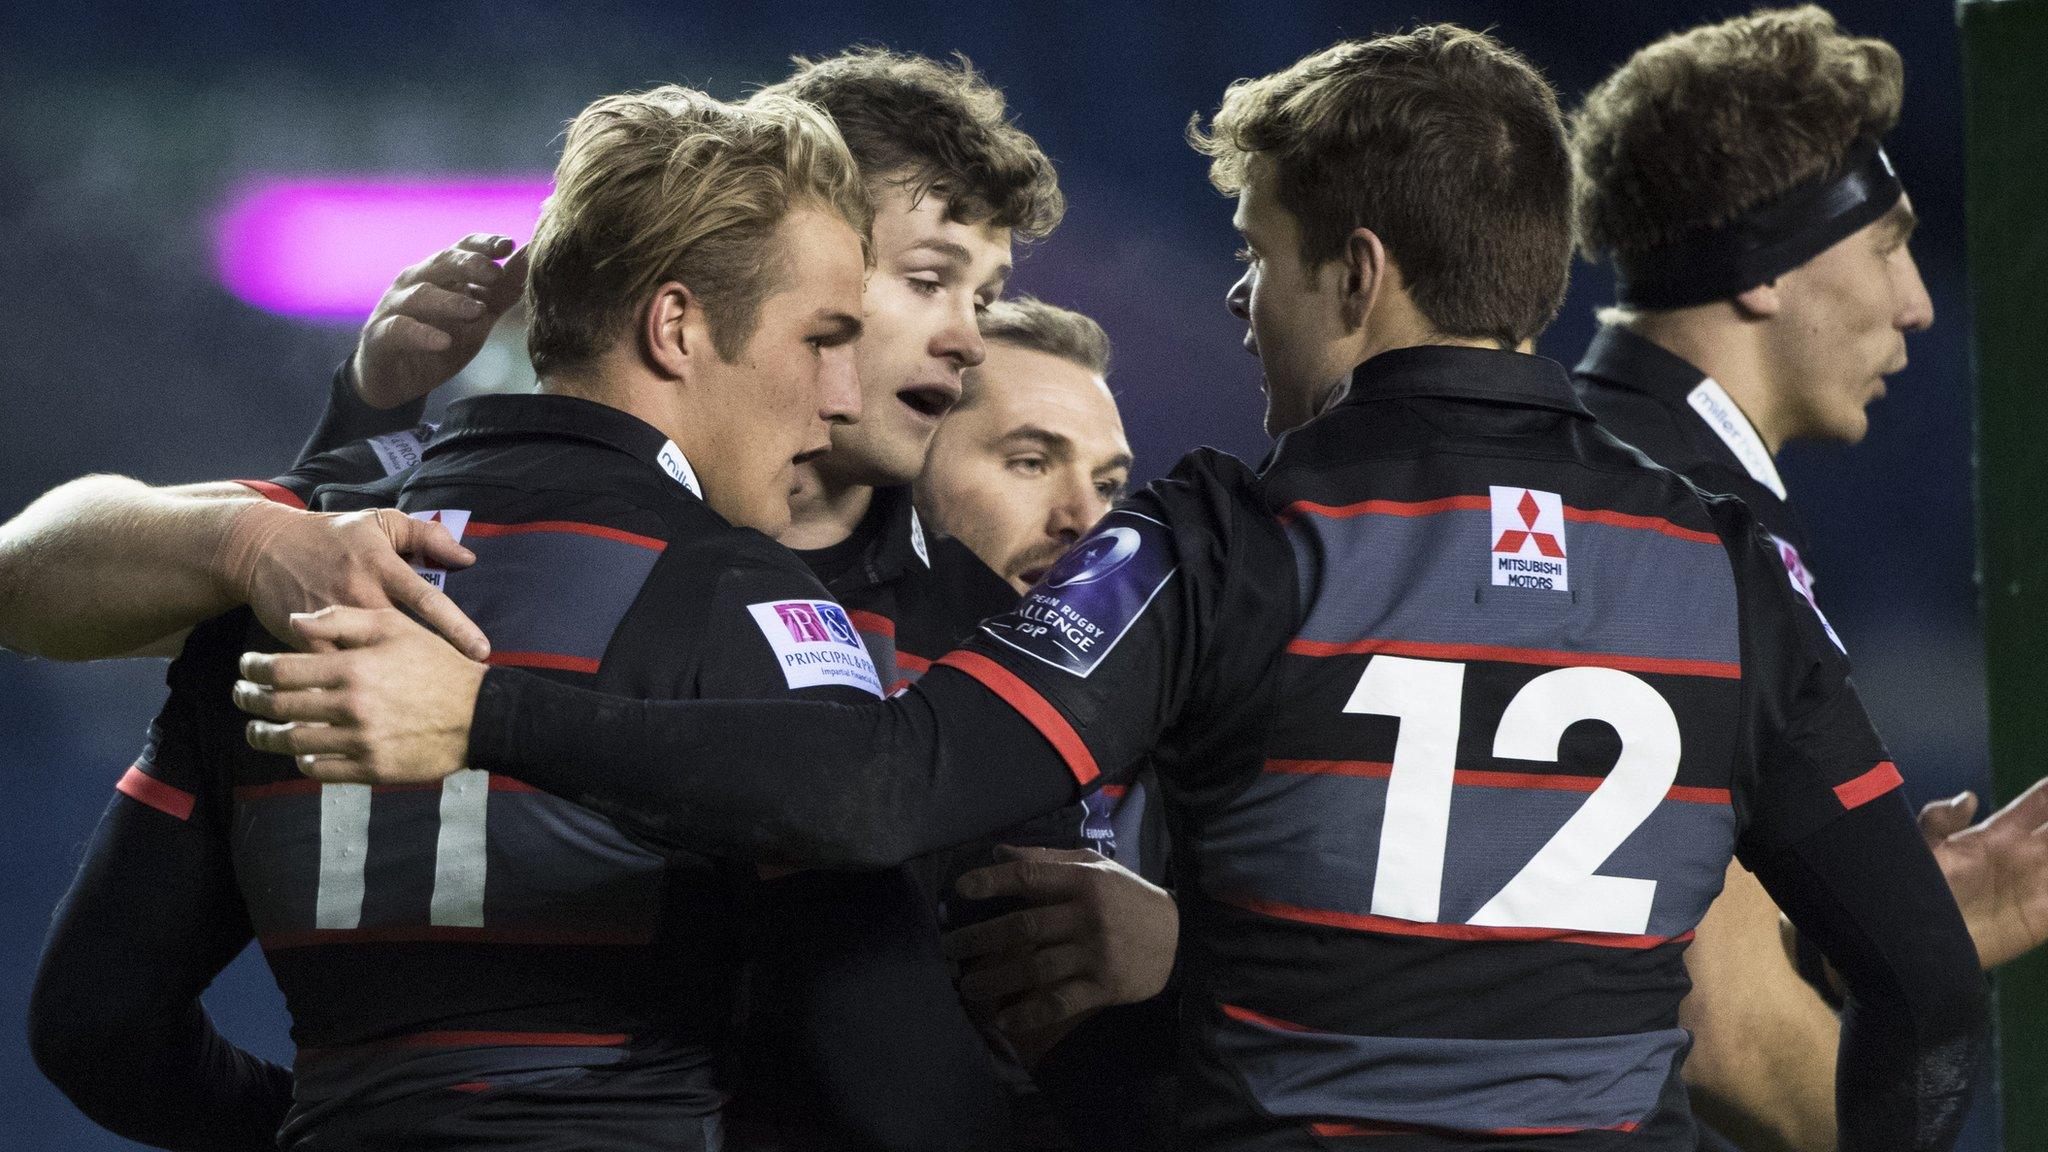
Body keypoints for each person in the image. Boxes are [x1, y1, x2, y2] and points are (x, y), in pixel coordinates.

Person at [240, 26, 1990, 1150]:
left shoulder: (1221, 541)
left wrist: (486, 708)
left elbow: (876, 785)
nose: (1243, 308)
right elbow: (1920, 983)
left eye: (1263, 261)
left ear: (1356, 273)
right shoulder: (1719, 561)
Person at [33, 85, 1009, 1150]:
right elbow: (892, 1081)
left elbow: (95, 1023)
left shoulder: (304, 569)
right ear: (675, 325)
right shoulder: (746, 598)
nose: (838, 391)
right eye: (823, 338)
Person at [1566, 9, 2048, 1148]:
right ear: (1764, 267)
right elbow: (1726, 1031)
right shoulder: (1673, 516)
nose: (1916, 303)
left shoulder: (1611, 469)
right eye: (1886, 243)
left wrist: (1850, 938)